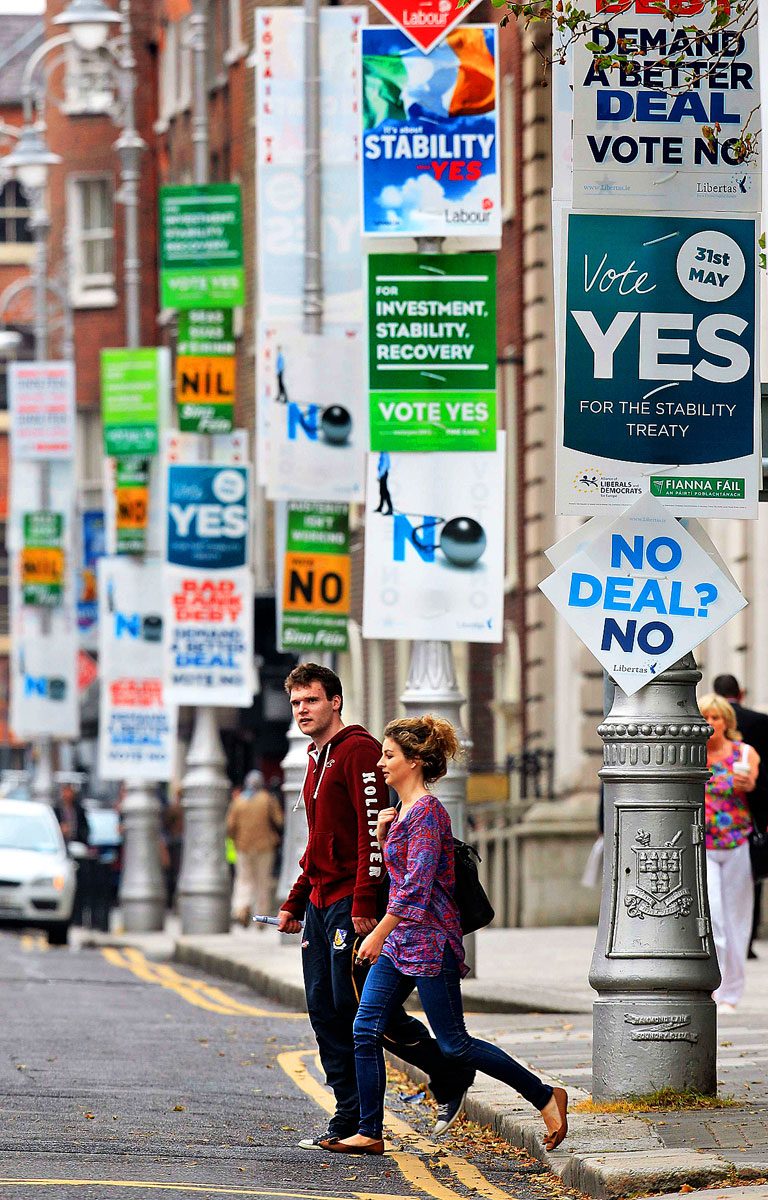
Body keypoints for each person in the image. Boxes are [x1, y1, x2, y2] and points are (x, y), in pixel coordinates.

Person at [329, 715, 567, 1157]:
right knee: (365, 1028)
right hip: (402, 943)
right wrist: (383, 832)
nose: (381, 763)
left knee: (455, 1042)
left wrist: (378, 932)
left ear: (415, 761)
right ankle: (370, 1130)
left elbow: (417, 887)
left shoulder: (428, 813)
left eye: (389, 755)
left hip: (429, 941)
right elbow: (401, 879)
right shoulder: (402, 813)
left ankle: (544, 1096)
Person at [277, 664, 473, 1149]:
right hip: (321, 903)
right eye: (296, 703)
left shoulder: (360, 751)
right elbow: (318, 840)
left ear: (335, 702)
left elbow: (370, 833)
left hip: (352, 902)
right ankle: (345, 1121)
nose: (303, 710)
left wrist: (367, 900)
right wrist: (295, 900)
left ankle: (447, 1070)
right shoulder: (316, 757)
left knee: (360, 1008)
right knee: (324, 1010)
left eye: (312, 701)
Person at [699, 693, 760, 1012]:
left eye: (716, 718)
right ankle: (715, 987)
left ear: (726, 722)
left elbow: (760, 789)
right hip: (704, 845)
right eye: (705, 718)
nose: (710, 724)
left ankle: (732, 994)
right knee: (714, 918)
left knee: (736, 921)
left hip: (737, 842)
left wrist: (750, 785)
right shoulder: (692, 754)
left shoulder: (744, 752)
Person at [713, 674, 768, 958]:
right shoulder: (760, 722)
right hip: (748, 817)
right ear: (741, 693)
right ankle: (745, 942)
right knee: (748, 885)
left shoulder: (701, 724)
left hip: (726, 823)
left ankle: (727, 943)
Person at [227, 770, 284, 928]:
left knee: (243, 879)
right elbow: (279, 820)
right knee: (262, 881)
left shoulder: (238, 801)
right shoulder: (268, 799)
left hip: (243, 846)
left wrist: (236, 838)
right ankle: (261, 916)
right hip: (264, 846)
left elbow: (230, 826)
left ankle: (241, 908)